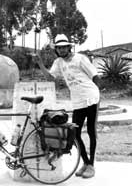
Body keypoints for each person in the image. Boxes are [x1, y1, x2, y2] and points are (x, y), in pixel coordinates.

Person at [33, 34, 100, 179]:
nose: (62, 49)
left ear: (69, 47)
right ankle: (85, 163)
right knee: (74, 134)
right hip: (77, 101)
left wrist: (98, 93)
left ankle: (91, 165)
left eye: (64, 47)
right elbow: (51, 78)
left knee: (90, 131)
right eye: (59, 47)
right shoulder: (58, 62)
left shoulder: (80, 58)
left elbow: (95, 75)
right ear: (56, 49)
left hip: (91, 97)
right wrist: (40, 64)